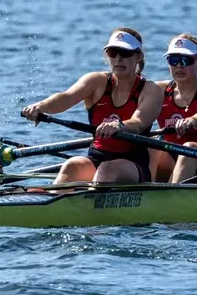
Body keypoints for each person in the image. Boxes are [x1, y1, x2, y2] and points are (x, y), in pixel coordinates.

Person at [21, 27, 163, 185]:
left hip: (133, 163)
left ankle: (88, 202)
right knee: (71, 165)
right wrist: (41, 106)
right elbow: (66, 98)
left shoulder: (151, 90)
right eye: (112, 53)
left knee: (107, 170)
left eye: (125, 53)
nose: (118, 59)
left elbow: (138, 122)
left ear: (138, 56)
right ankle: (53, 204)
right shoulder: (96, 82)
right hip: (97, 157)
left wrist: (119, 125)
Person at [151, 34, 197, 182]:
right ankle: (146, 193)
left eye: (186, 60)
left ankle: (172, 198)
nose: (179, 66)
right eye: (173, 60)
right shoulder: (159, 90)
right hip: (170, 159)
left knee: (189, 148)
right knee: (150, 146)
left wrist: (192, 120)